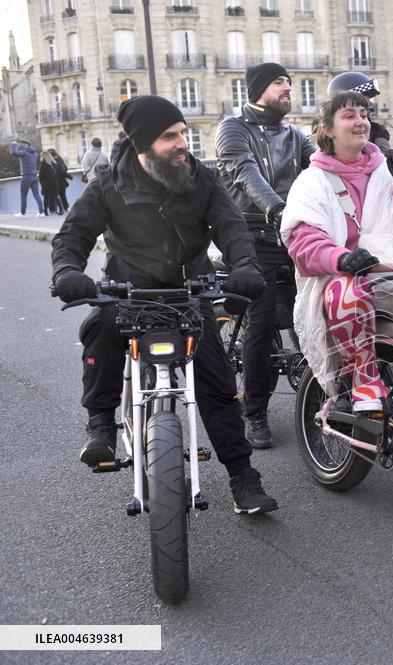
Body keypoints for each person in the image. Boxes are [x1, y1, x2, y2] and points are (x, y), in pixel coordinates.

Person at [50, 95, 279, 514]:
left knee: (217, 379)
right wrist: (67, 272)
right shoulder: (108, 184)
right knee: (100, 326)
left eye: (183, 134)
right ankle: (100, 422)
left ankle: (242, 476)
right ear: (141, 145)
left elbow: (232, 229)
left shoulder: (201, 180)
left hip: (189, 291)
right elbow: (72, 236)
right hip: (128, 289)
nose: (181, 144)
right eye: (169, 137)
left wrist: (245, 265)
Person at [279, 91, 393, 414]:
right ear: (327, 129)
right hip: (341, 287)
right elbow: (303, 243)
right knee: (350, 291)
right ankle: (364, 378)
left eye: (364, 114)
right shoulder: (311, 182)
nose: (360, 121)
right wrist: (341, 258)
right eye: (349, 115)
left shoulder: (388, 171)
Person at [215, 62, 316, 448]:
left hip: (294, 234)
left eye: (290, 81)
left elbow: (323, 166)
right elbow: (244, 172)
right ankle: (255, 413)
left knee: (318, 311)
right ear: (259, 89)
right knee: (261, 323)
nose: (288, 87)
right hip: (254, 234)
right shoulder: (233, 128)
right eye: (279, 82)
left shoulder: (294, 134)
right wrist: (278, 210)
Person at [327, 71, 391, 151]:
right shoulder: (320, 145)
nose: (369, 105)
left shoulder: (377, 135)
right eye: (363, 101)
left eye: (368, 100)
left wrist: (385, 156)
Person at [9, 139, 45, 217]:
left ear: (25, 146)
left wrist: (14, 144)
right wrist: (25, 143)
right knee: (37, 195)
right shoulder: (35, 153)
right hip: (35, 176)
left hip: (26, 176)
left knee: (23, 194)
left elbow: (13, 152)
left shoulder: (24, 153)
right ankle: (41, 212)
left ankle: (23, 213)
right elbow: (28, 146)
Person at [38, 150, 63, 215]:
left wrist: (40, 180)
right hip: (54, 182)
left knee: (46, 198)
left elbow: (41, 174)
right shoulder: (53, 162)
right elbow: (57, 172)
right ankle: (61, 209)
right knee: (56, 196)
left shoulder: (44, 162)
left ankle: (45, 212)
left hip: (46, 183)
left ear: (43, 156)